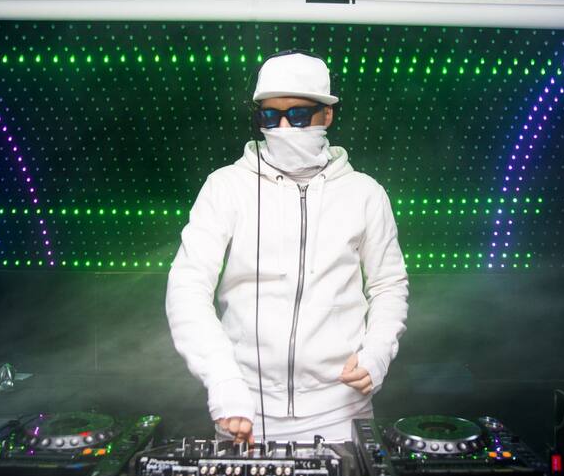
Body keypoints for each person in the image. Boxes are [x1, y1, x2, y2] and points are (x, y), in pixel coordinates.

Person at [165, 49, 408, 444]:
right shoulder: (226, 187)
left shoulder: (365, 193)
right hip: (243, 409)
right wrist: (223, 380)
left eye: (297, 115)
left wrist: (377, 353)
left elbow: (388, 285)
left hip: (342, 409)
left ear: (326, 115)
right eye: (269, 116)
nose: (282, 127)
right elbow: (187, 287)